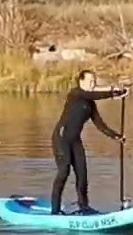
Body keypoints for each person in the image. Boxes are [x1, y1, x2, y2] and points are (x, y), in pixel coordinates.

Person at [50, 70, 126, 215]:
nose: (93, 84)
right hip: (61, 139)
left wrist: (116, 136)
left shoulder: (90, 104)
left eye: (94, 81)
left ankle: (83, 207)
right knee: (63, 171)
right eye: (90, 81)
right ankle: (55, 210)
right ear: (81, 82)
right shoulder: (75, 94)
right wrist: (113, 93)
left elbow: (100, 125)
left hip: (75, 141)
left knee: (82, 175)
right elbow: (92, 94)